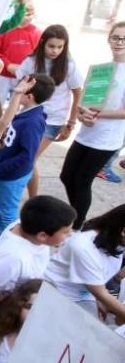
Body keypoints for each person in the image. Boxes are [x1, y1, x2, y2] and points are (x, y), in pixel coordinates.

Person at [0, 195, 76, 320]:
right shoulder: (13, 259)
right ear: (42, 236)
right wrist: (12, 315)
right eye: (66, 232)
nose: (70, 234)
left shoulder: (25, 226)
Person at [60, 22, 125, 227]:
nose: (119, 42)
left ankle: (76, 225)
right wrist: (81, 114)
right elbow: (85, 100)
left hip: (107, 138)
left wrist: (98, 114)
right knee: (66, 176)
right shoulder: (102, 69)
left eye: (123, 39)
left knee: (82, 181)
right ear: (109, 39)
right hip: (86, 133)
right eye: (115, 37)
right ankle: (76, 216)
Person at [0, 74, 55, 244]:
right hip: (4, 172)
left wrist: (2, 167)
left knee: (7, 212)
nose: (15, 93)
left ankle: (11, 243)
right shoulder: (22, 112)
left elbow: (27, 156)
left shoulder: (32, 121)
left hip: (13, 175)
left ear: (29, 97)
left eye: (20, 91)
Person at [17, 25, 82, 198]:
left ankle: (32, 199)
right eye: (52, 46)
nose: (55, 51)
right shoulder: (30, 61)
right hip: (28, 116)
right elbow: (18, 88)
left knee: (29, 159)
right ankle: (31, 198)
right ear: (43, 43)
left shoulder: (69, 65)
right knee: (25, 159)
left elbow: (77, 93)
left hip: (53, 120)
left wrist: (71, 122)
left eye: (60, 47)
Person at [42, 203, 125, 320]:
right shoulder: (84, 247)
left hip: (85, 293)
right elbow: (100, 293)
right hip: (57, 292)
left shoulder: (116, 241)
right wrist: (99, 298)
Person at [0, 0, 40, 103]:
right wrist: (8, 65)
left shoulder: (37, 32)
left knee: (16, 104)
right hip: (4, 75)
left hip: (24, 77)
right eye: (25, 13)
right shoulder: (7, 29)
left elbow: (38, 55)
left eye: (31, 13)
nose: (28, 17)